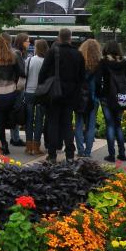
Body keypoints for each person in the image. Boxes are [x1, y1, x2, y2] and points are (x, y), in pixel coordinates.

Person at [38, 28, 85, 163]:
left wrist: (43, 88)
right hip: (71, 94)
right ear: (71, 37)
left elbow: (43, 72)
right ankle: (69, 153)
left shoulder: (53, 51)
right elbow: (82, 77)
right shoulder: (78, 54)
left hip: (54, 93)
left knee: (52, 122)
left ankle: (52, 153)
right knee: (67, 124)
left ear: (59, 37)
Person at [96, 41, 126, 163]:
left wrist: (99, 93)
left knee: (110, 125)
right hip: (121, 97)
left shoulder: (103, 62)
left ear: (106, 49)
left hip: (107, 97)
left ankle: (111, 154)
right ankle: (122, 153)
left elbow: (97, 80)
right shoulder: (124, 62)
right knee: (118, 124)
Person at [0, 33, 22, 155]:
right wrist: (16, 86)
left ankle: (4, 144)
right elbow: (20, 73)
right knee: (9, 116)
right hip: (10, 91)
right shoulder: (13, 56)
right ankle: (14, 137)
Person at [75, 38, 102, 158]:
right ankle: (88, 152)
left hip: (80, 96)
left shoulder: (78, 60)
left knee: (79, 124)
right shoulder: (99, 63)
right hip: (93, 97)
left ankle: (80, 150)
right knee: (91, 126)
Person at [24, 39, 49, 155]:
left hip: (28, 92)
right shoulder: (47, 62)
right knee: (39, 120)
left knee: (29, 119)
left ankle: (28, 146)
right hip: (41, 93)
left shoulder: (29, 60)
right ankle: (36, 146)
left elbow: (25, 74)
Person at [10, 33, 30, 147]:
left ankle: (15, 137)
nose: (29, 43)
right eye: (27, 41)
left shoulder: (14, 52)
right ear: (22, 42)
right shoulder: (18, 54)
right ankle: (15, 138)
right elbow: (22, 72)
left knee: (14, 111)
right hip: (18, 87)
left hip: (13, 85)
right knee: (16, 111)